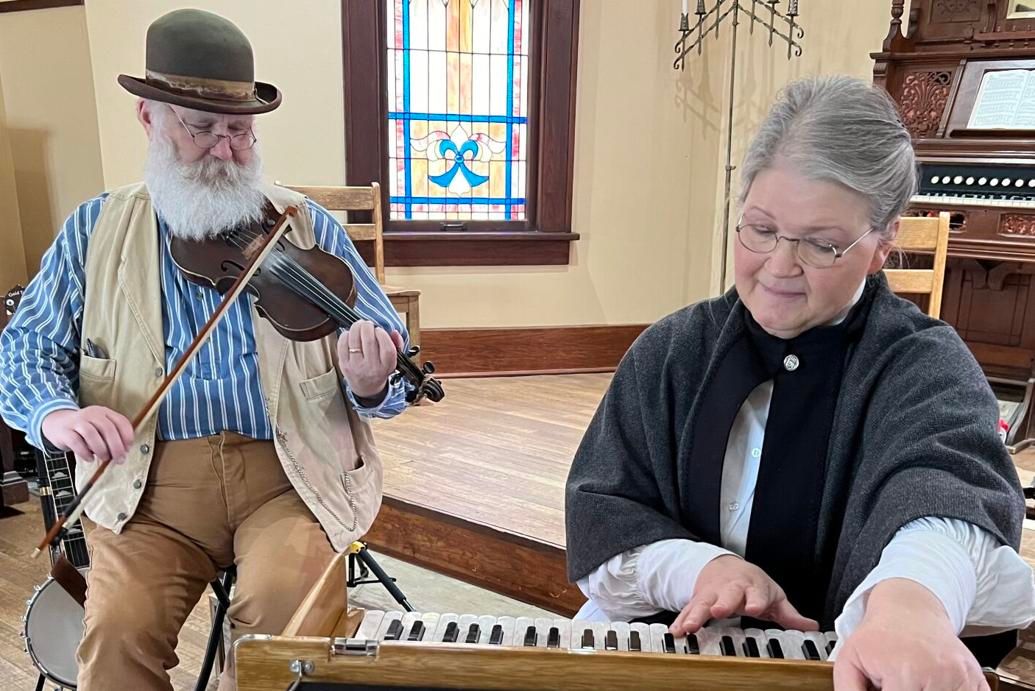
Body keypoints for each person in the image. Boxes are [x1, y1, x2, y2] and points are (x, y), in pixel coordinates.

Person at [565, 75, 1035, 690]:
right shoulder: (674, 350)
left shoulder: (924, 364)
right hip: (670, 652)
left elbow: (941, 493)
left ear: (883, 243)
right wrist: (699, 568)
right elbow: (607, 510)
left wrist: (908, 602)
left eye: (822, 244)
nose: (781, 266)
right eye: (760, 229)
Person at [0, 9, 412, 691]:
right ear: (148, 118)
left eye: (240, 131)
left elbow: (386, 374)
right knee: (115, 639)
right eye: (200, 129)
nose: (224, 150)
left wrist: (373, 383)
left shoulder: (305, 229)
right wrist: (55, 414)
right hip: (146, 487)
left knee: (287, 627)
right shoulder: (94, 229)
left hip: (291, 475)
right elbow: (25, 349)